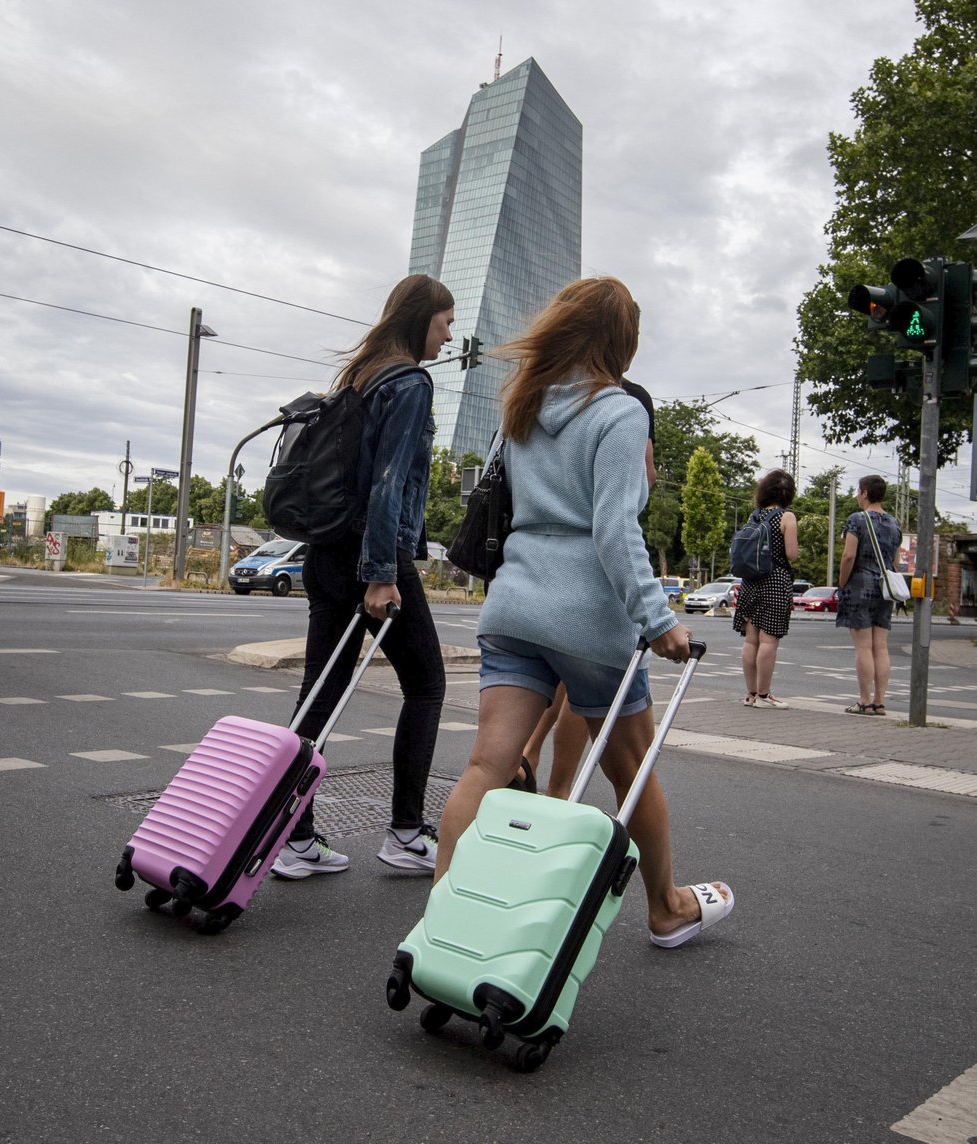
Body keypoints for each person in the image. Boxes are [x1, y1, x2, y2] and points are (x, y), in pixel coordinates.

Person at [434, 277, 734, 949]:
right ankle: (667, 906)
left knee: (486, 767)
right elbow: (614, 530)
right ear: (621, 341)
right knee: (632, 771)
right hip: (587, 620)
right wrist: (660, 622)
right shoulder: (620, 411)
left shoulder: (522, 405)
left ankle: (442, 913)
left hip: (513, 604)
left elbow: (506, 497)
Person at [271, 274, 454, 879]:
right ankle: (405, 834)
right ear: (420, 319)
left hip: (324, 552)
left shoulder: (358, 375)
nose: (450, 334)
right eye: (444, 322)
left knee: (318, 694)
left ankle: (292, 840)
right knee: (427, 685)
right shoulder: (407, 382)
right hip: (370, 558)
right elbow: (388, 483)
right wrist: (382, 573)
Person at [518, 377, 657, 798]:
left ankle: (527, 752)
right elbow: (633, 491)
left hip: (527, 575)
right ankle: (560, 794)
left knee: (549, 684)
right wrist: (658, 619)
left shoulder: (535, 393)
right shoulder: (629, 401)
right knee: (629, 758)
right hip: (592, 578)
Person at [836, 474, 902, 716]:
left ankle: (864, 700)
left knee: (863, 647)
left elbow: (848, 556)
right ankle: (880, 701)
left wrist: (843, 582)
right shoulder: (894, 523)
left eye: (858, 491)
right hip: (885, 590)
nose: (857, 495)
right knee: (880, 647)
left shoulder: (857, 520)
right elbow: (895, 562)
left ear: (864, 493)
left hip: (860, 585)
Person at [733, 469, 799, 709]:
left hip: (750, 582)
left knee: (751, 641)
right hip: (775, 581)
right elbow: (791, 554)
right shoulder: (786, 517)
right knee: (769, 641)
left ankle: (750, 694)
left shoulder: (755, 516)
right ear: (788, 494)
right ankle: (764, 695)